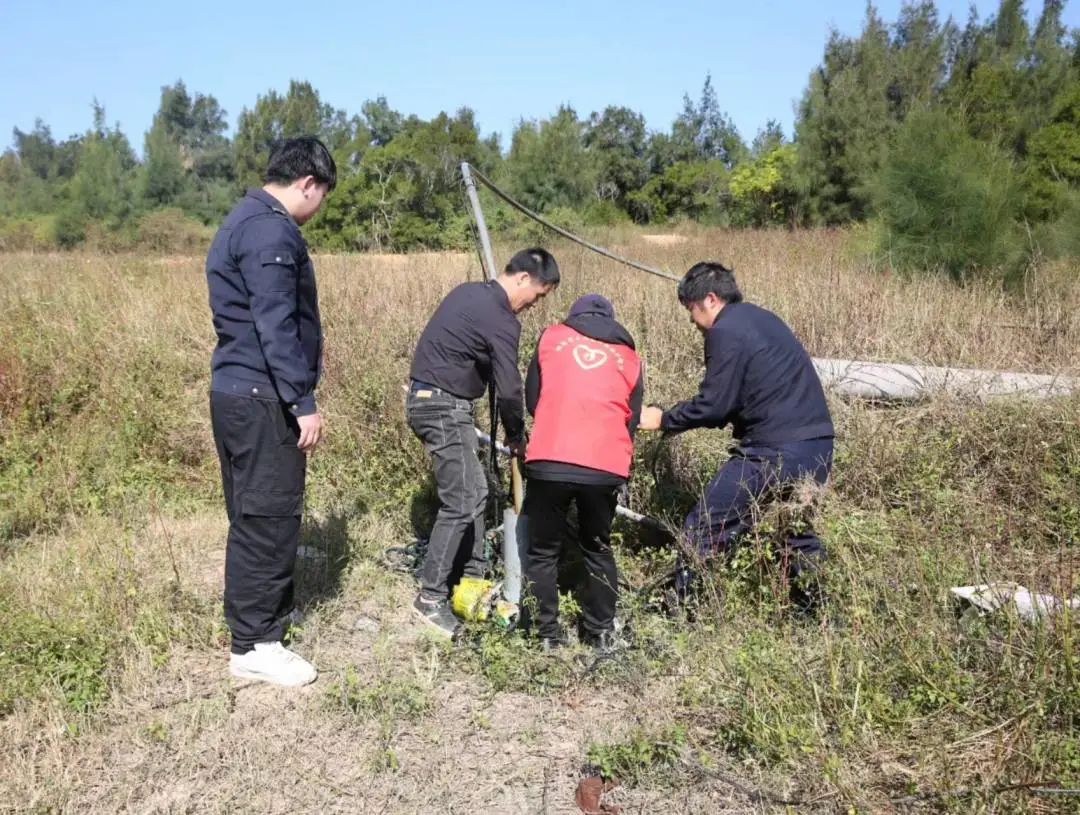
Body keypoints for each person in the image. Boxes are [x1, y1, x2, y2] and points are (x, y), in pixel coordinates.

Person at [206, 136, 336, 686]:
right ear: (308, 183)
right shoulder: (270, 229)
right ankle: (256, 643)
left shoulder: (242, 218)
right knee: (269, 517)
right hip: (263, 397)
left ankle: (257, 623)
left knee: (252, 514)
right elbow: (275, 323)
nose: (319, 208)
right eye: (322, 195)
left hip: (240, 391)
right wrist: (301, 401)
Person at [639, 262, 834, 610]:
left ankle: (679, 612)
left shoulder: (725, 330)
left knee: (705, 525)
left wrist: (664, 419)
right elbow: (740, 397)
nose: (692, 320)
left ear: (710, 299)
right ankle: (817, 616)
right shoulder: (762, 319)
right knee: (795, 536)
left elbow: (715, 405)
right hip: (816, 446)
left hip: (774, 450)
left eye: (691, 309)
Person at [407, 249, 560, 637]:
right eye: (536, 297)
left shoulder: (469, 293)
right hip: (442, 407)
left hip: (431, 401)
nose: (532, 306)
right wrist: (516, 435)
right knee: (465, 498)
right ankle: (429, 599)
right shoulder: (501, 317)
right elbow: (509, 388)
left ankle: (470, 579)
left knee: (474, 492)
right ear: (522, 278)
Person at [522, 294, 642, 651]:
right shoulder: (629, 356)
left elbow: (533, 400)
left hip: (550, 456)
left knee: (542, 551)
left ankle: (544, 635)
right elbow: (632, 418)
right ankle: (600, 633)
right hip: (605, 464)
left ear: (574, 317)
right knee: (597, 547)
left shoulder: (552, 337)